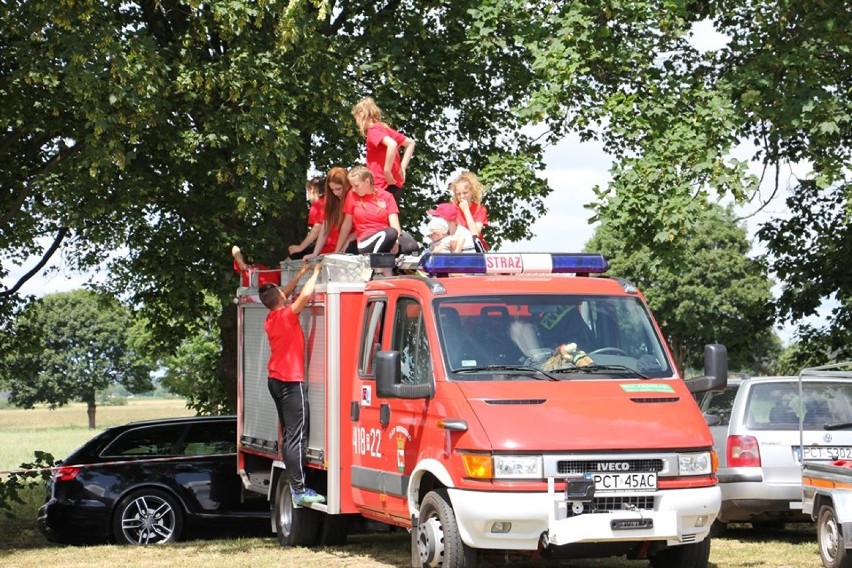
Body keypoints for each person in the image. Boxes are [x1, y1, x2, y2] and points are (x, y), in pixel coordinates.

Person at [258, 262, 325, 507]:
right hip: (290, 381)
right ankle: (298, 489)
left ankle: (297, 485)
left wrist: (299, 273)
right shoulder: (286, 315)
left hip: (275, 380)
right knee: (295, 437)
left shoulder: (271, 316)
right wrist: (316, 272)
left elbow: (282, 293)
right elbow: (306, 295)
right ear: (280, 298)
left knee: (289, 435)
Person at [336, 165, 419, 255]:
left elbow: (395, 225)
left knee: (411, 246)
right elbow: (346, 224)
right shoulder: (352, 195)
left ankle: (400, 268)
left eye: (356, 186)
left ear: (367, 182)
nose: (353, 189)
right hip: (366, 238)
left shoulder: (387, 196)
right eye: (352, 186)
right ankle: (377, 264)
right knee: (390, 233)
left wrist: (396, 242)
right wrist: (337, 249)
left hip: (388, 236)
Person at [351, 97, 415, 202]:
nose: (357, 122)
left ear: (362, 115)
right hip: (394, 185)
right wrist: (402, 168)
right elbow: (410, 143)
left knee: (375, 216)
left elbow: (392, 144)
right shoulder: (385, 128)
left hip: (382, 185)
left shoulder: (373, 131)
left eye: (356, 118)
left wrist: (387, 171)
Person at [304, 167, 358, 259]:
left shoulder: (355, 197)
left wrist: (338, 250)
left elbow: (365, 227)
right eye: (332, 190)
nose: (335, 193)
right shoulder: (332, 202)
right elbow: (325, 228)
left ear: (346, 185)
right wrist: (315, 253)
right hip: (342, 245)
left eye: (338, 189)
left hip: (355, 242)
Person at [288, 176, 326, 260]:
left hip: (326, 248)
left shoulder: (318, 205)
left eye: (308, 193)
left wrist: (301, 247)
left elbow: (317, 228)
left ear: (313, 191)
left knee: (292, 257)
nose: (308, 197)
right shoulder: (332, 204)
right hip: (335, 245)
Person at [450, 171, 489, 251]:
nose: (462, 197)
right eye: (458, 194)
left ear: (472, 192)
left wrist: (466, 210)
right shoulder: (452, 209)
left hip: (475, 248)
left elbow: (475, 233)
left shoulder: (480, 209)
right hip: (457, 248)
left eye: (465, 193)